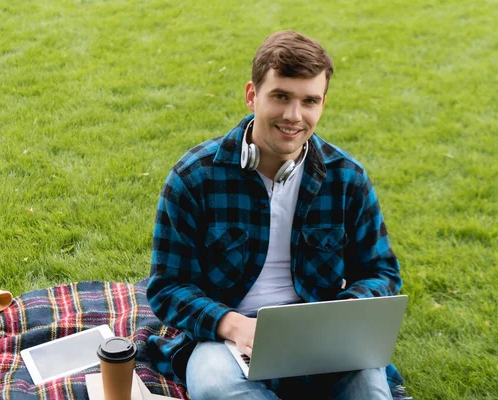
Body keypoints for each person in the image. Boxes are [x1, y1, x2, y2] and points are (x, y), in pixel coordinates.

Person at [146, 30, 408, 399]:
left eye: (309, 101)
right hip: (225, 339)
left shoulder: (347, 177)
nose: (293, 116)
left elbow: (380, 272)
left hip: (320, 334)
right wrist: (234, 325)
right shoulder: (193, 177)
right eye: (281, 96)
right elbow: (167, 287)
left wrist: (340, 317)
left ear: (322, 104)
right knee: (218, 387)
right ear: (252, 96)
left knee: (369, 390)